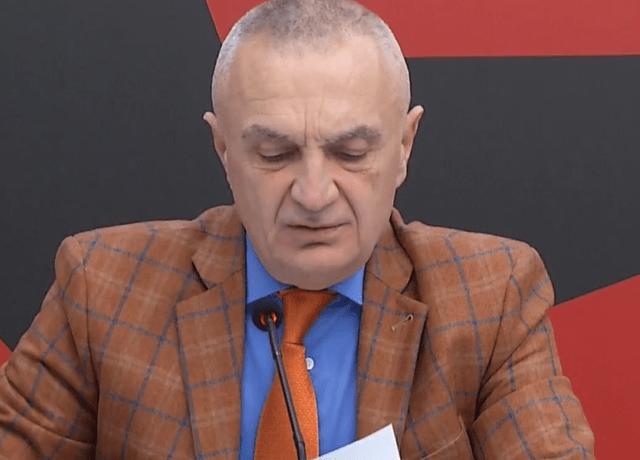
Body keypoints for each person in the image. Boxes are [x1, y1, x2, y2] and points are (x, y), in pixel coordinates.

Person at [0, 0, 595, 458]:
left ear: (404, 147)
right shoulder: (101, 286)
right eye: (276, 154)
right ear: (224, 149)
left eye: (351, 153)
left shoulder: (492, 297)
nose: (314, 194)